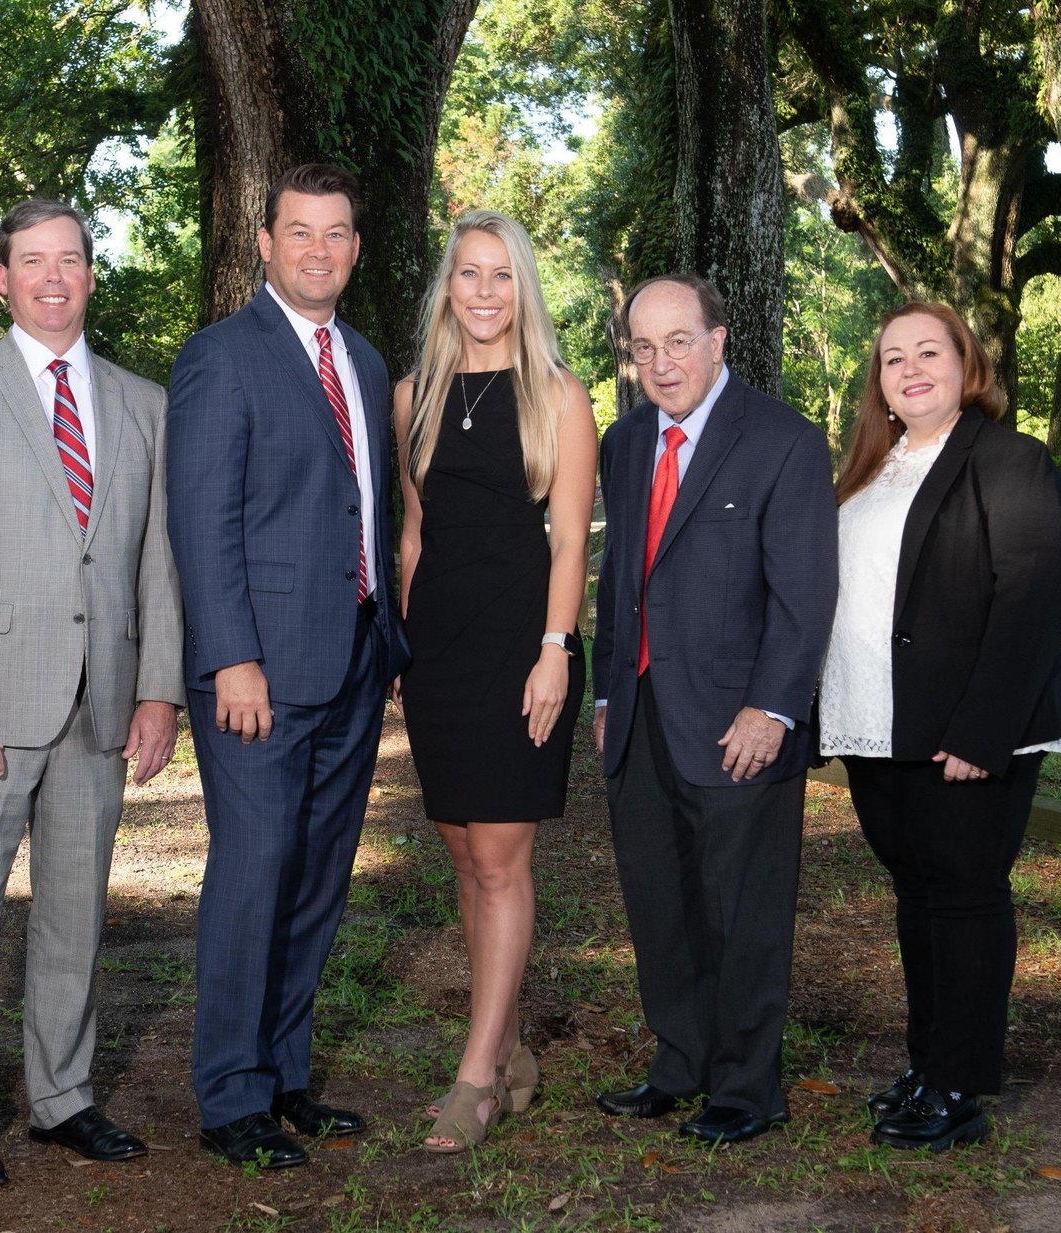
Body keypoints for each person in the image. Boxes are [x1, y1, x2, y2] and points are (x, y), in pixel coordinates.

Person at [0, 200, 184, 1188]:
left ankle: (63, 1097)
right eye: (32, 261)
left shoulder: (142, 402)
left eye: (70, 259)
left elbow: (158, 560)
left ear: (91, 275)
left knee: (76, 915)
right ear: (3, 279)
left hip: (101, 706)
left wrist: (158, 691)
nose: (52, 277)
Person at [167, 163, 413, 1170]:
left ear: (355, 247)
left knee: (316, 879)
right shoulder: (220, 357)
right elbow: (201, 519)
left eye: (338, 232)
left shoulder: (361, 358)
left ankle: (284, 1077)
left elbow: (367, 508)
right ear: (264, 243)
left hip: (352, 658)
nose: (319, 249)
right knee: (254, 873)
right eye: (300, 232)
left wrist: (384, 638)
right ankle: (228, 1097)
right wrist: (231, 659)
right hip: (258, 672)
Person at [820, 302, 1061, 1151]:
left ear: (965, 364)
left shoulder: (1010, 460)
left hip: (970, 730)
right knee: (916, 894)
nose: (910, 369)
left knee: (966, 897)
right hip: (880, 721)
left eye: (928, 351)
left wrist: (982, 733)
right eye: (892, 358)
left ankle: (961, 1083)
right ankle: (929, 1060)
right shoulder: (871, 467)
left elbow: (1032, 598)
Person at [589, 274, 838, 1145]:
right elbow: (620, 576)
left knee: (743, 906)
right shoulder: (623, 444)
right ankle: (680, 1062)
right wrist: (610, 690)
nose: (662, 363)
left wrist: (773, 707)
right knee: (659, 898)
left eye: (679, 341)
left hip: (739, 722)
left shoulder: (783, 441)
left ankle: (746, 1086)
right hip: (642, 714)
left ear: (719, 339)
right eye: (644, 347)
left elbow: (806, 594)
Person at [392, 210, 596, 1152]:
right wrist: (402, 646)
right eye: (468, 274)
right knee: (464, 860)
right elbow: (413, 537)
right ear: (448, 287)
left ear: (524, 288)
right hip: (438, 651)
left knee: (502, 858)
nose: (483, 292)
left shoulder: (560, 395)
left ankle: (474, 1080)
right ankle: (510, 1047)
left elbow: (567, 544)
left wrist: (556, 647)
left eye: (501, 275)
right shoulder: (412, 399)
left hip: (523, 648)